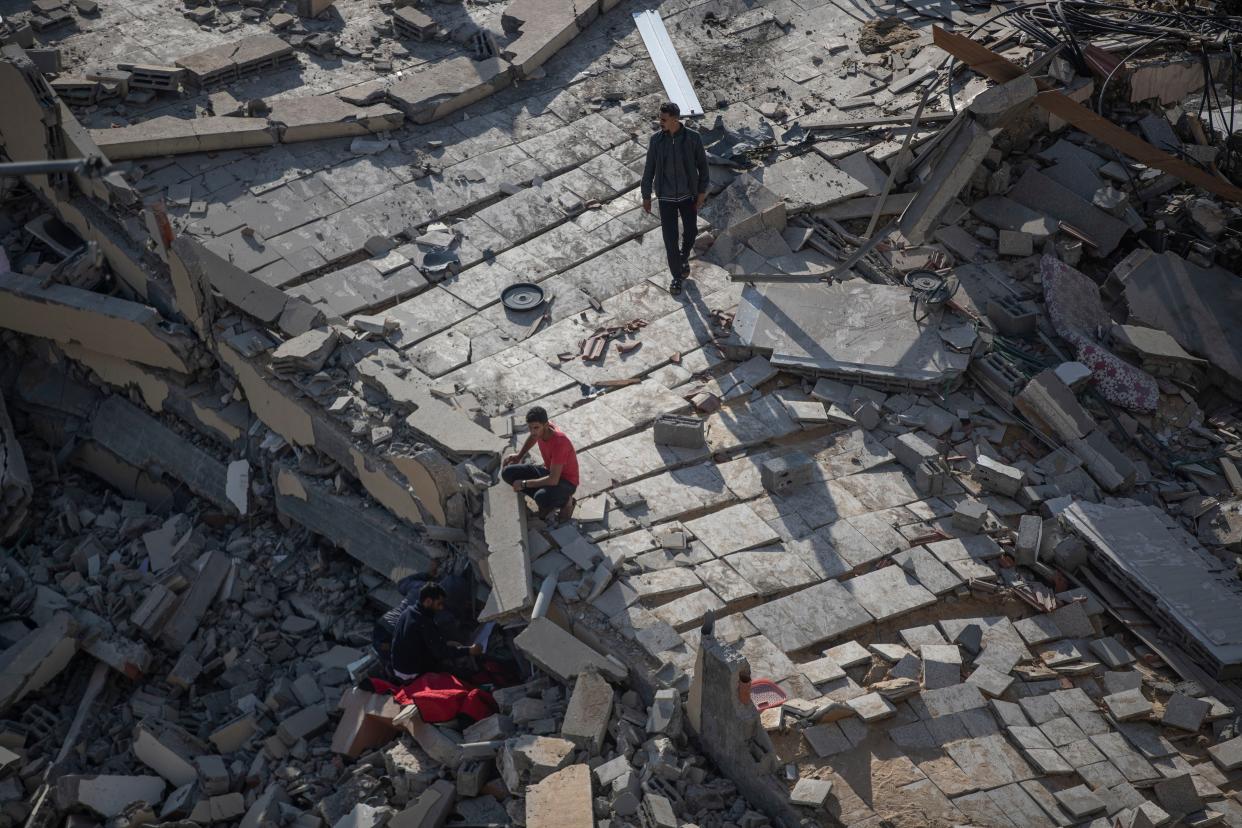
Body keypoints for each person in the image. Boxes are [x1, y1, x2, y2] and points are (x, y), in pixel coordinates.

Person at [641, 101, 710, 297]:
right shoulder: (656, 141)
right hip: (665, 198)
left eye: (664, 119)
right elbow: (649, 169)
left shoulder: (693, 139)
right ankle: (677, 277)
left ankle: (683, 257)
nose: (660, 122)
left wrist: (702, 193)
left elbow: (703, 168)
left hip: (688, 195)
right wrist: (646, 196)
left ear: (675, 119)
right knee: (670, 240)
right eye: (660, 118)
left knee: (691, 231)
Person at [388, 582, 482, 682]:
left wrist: (445, 643)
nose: (441, 608)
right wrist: (469, 651)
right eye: (439, 604)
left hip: (399, 665)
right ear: (428, 601)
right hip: (410, 671)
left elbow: (419, 641)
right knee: (462, 676)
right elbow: (440, 652)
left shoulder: (408, 612)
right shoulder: (423, 622)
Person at [500, 406, 579, 520]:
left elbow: (553, 480)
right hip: (549, 472)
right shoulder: (541, 431)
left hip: (566, 483)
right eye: (530, 428)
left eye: (536, 428)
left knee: (541, 497)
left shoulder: (560, 443)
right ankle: (547, 503)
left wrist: (524, 483)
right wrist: (519, 456)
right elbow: (533, 437)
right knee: (507, 473)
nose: (533, 431)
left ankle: (566, 501)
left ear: (546, 425)